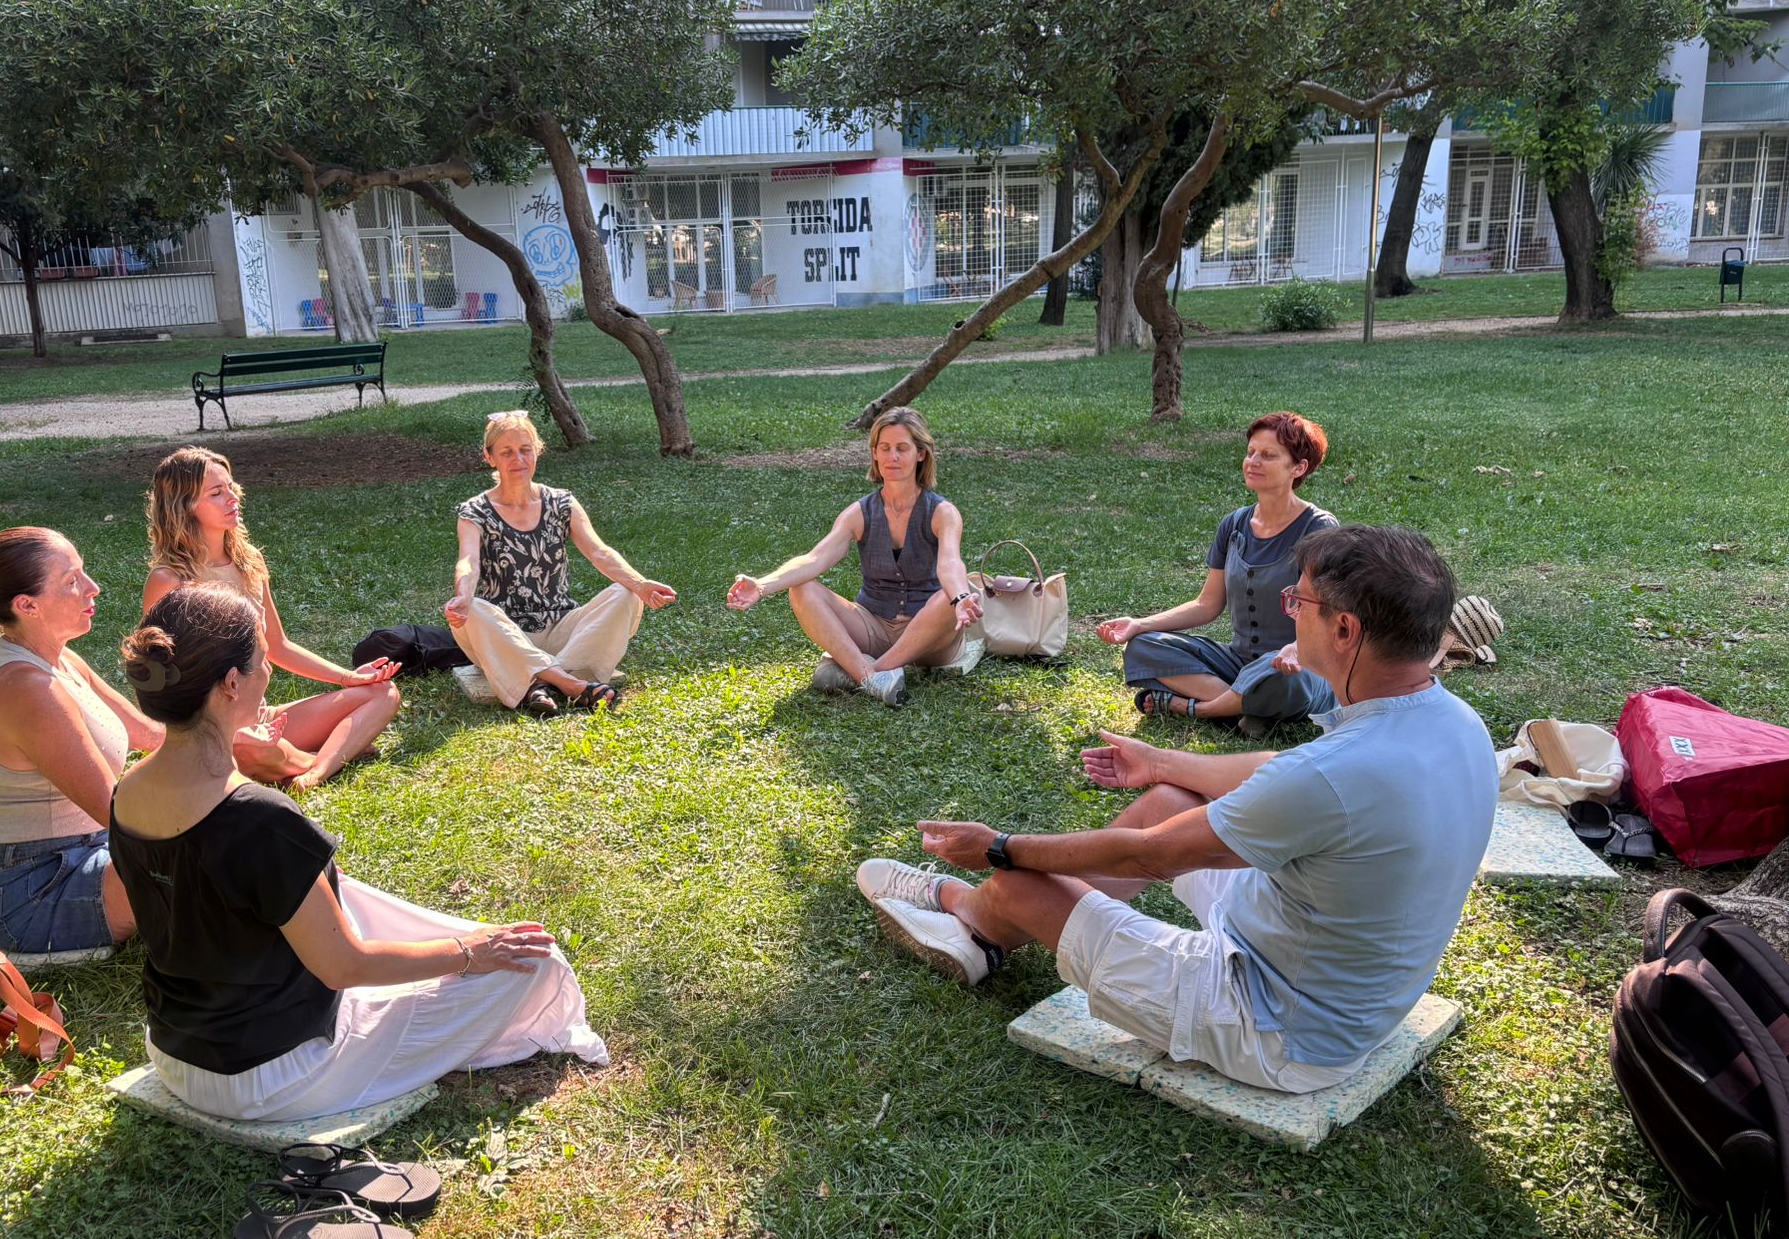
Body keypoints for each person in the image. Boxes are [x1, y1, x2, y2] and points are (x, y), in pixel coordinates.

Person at [857, 526, 1496, 1094]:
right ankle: (992, 930)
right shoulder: (1454, 721)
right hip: (1338, 979)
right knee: (1169, 800)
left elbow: (1150, 856)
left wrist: (999, 847)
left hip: (1277, 1033)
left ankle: (969, 914)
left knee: (1023, 881)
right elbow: (1281, 772)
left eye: (1297, 602)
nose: (1290, 613)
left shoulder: (1333, 774)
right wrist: (1163, 764)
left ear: (1346, 630)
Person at [108, 582, 608, 1122]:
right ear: (231, 683)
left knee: (349, 897)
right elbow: (344, 966)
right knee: (534, 965)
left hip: (176, 1055)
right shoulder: (258, 817)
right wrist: (469, 951)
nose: (269, 672)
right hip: (272, 1077)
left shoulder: (128, 789)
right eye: (262, 660)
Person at [0, 527, 162, 956]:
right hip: (36, 891)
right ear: (27, 605)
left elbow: (151, 734)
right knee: (196, 858)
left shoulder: (60, 657)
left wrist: (224, 734)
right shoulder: (29, 689)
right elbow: (118, 813)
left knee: (218, 839)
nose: (93, 588)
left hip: (94, 848)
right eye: (72, 580)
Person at [144, 446, 400, 790]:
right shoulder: (170, 580)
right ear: (183, 505)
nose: (232, 497)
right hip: (216, 730)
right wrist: (232, 729)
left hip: (261, 716)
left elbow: (277, 646)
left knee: (383, 693)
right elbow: (158, 676)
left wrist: (349, 678)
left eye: (231, 487)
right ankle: (326, 756)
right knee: (257, 751)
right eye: (216, 493)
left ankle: (312, 770)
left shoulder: (249, 562)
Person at [1100, 412, 1338, 736]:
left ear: (1298, 467)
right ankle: (1247, 709)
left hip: (1297, 665)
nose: (1253, 462)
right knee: (1143, 645)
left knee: (1280, 677)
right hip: (1238, 663)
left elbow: (1329, 615)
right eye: (1251, 452)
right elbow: (1207, 605)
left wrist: (1297, 648)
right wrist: (1139, 624)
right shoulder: (1234, 525)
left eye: (1268, 455)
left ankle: (1199, 708)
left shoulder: (1318, 528)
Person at [725, 408, 983, 707]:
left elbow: (950, 563)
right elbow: (815, 559)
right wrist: (761, 585)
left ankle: (866, 672)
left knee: (946, 598)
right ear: (874, 453)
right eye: (884, 448)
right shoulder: (859, 513)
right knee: (803, 588)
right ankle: (871, 675)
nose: (892, 457)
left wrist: (960, 597)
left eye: (902, 448)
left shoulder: (942, 512)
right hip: (872, 626)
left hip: (929, 638)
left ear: (921, 454)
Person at [444, 410, 675, 716]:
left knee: (626, 593)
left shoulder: (561, 502)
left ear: (537, 451)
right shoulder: (475, 511)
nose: (518, 459)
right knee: (473, 609)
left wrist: (640, 583)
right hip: (507, 635)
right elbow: (468, 562)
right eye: (507, 452)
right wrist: (463, 595)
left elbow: (599, 552)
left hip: (561, 628)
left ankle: (537, 681)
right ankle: (571, 684)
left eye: (525, 449)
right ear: (490, 457)